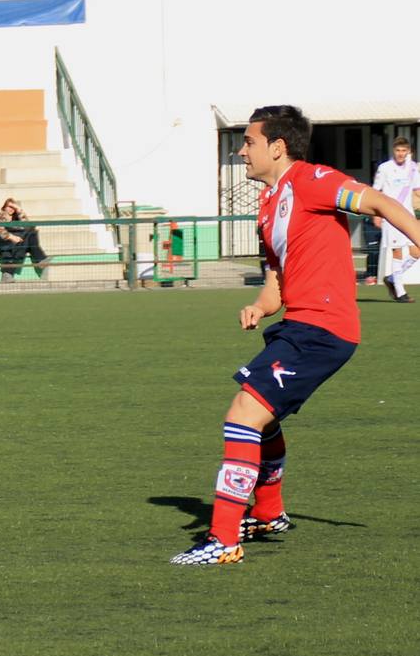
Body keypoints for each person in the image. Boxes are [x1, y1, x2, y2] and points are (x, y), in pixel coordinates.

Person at [172, 106, 420, 566]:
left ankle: (223, 540)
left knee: (243, 414)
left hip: (323, 328)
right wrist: (259, 306)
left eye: (248, 142)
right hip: (297, 325)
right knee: (264, 419)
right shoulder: (268, 207)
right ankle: (269, 514)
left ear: (277, 147)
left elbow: (380, 203)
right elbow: (277, 284)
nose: (241, 151)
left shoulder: (311, 180)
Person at [371, 137, 420, 302]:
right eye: (398, 150)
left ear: (408, 152)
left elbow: (417, 190)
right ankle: (400, 292)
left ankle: (392, 278)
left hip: (408, 215)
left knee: (417, 250)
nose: (400, 153)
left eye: (403, 151)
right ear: (393, 151)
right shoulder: (384, 168)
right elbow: (376, 192)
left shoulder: (412, 169)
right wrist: (376, 214)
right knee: (397, 251)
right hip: (391, 215)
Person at [0, 198, 50, 281]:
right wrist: (11, 237)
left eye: (13, 207)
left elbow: (27, 225)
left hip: (17, 243)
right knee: (21, 241)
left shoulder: (17, 217)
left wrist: (19, 210)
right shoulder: (1, 215)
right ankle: (41, 260)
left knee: (31, 232)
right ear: (4, 207)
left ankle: (40, 261)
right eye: (9, 206)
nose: (11, 209)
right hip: (2, 242)